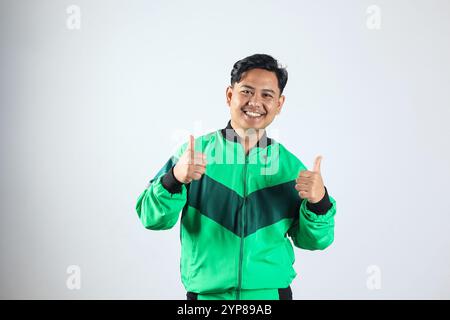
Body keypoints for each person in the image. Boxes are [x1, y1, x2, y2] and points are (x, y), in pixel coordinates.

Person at [135, 54, 337, 300]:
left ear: (279, 104)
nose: (255, 102)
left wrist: (320, 201)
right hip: (208, 297)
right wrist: (175, 178)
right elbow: (150, 217)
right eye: (247, 91)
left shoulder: (289, 167)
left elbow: (314, 241)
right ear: (230, 95)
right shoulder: (194, 154)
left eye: (267, 95)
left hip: (271, 296)